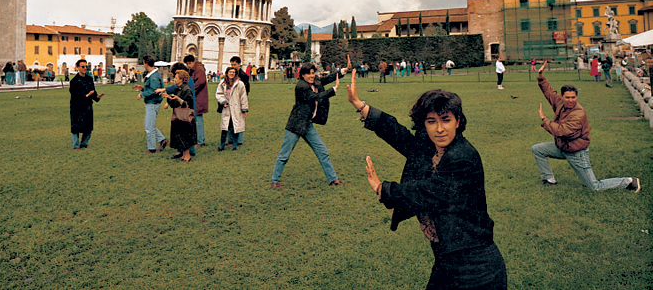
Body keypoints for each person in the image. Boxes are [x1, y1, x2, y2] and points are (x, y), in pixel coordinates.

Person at [345, 70, 507, 289]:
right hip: (448, 260)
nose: (439, 129)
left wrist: (383, 189)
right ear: (424, 125)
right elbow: (399, 135)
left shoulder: (462, 157)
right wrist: (360, 105)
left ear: (458, 122)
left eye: (446, 120)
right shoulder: (432, 148)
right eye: (431, 121)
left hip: (476, 268)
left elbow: (427, 192)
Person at [531, 60, 640, 192]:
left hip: (577, 153)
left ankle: (629, 181)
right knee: (538, 149)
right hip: (563, 147)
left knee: (595, 187)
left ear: (576, 97)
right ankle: (549, 180)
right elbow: (550, 93)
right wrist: (541, 76)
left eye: (573, 97)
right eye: (567, 97)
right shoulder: (560, 103)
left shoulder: (579, 113)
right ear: (562, 97)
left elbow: (562, 131)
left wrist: (544, 119)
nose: (570, 100)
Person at [271, 62, 348, 188]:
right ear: (303, 75)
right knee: (285, 154)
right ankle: (275, 181)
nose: (312, 76)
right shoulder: (301, 86)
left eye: (313, 73)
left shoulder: (315, 81)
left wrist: (342, 72)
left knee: (322, 151)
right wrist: (333, 89)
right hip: (296, 125)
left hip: (307, 124)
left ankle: (333, 179)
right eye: (308, 74)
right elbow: (316, 97)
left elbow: (325, 79)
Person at [134, 54, 169, 154]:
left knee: (149, 127)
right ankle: (163, 140)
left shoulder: (153, 76)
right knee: (149, 125)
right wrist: (143, 88)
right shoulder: (154, 75)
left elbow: (154, 90)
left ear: (146, 63)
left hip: (152, 103)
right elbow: (153, 88)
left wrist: (142, 94)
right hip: (153, 103)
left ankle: (152, 148)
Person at [160, 69, 195, 163]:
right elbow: (175, 101)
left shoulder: (186, 89)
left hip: (185, 117)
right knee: (180, 135)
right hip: (178, 116)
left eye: (176, 77)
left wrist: (178, 99)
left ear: (182, 79)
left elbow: (189, 103)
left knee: (185, 135)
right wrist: (168, 98)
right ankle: (183, 154)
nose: (174, 79)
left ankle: (187, 155)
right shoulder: (178, 88)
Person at [69, 59, 105, 150]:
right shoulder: (74, 81)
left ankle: (85, 142)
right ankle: (76, 145)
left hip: (88, 106)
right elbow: (74, 93)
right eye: (83, 66)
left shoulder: (89, 79)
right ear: (78, 68)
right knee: (76, 127)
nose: (85, 68)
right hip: (77, 107)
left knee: (88, 126)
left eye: (86, 66)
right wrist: (85, 95)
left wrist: (97, 97)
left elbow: (93, 91)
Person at [215, 67, 249, 151]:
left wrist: (244, 109)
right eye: (230, 72)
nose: (232, 73)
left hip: (236, 108)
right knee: (225, 128)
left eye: (233, 72)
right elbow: (219, 94)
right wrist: (223, 101)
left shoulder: (240, 84)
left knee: (235, 126)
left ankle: (234, 145)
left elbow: (243, 97)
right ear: (227, 73)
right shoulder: (222, 83)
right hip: (226, 108)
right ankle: (222, 145)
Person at [184, 54, 208, 148]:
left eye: (189, 63)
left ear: (192, 62)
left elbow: (200, 82)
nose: (188, 65)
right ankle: (199, 139)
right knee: (196, 119)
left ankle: (200, 141)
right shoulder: (196, 68)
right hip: (197, 96)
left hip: (199, 97)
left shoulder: (199, 69)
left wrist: (191, 90)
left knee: (198, 120)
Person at [228, 56, 250, 146]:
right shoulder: (230, 73)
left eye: (235, 64)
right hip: (231, 101)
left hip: (239, 101)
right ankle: (230, 140)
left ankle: (239, 140)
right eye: (232, 64)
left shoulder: (243, 76)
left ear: (239, 64)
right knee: (229, 120)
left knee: (239, 120)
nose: (233, 66)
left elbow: (245, 90)